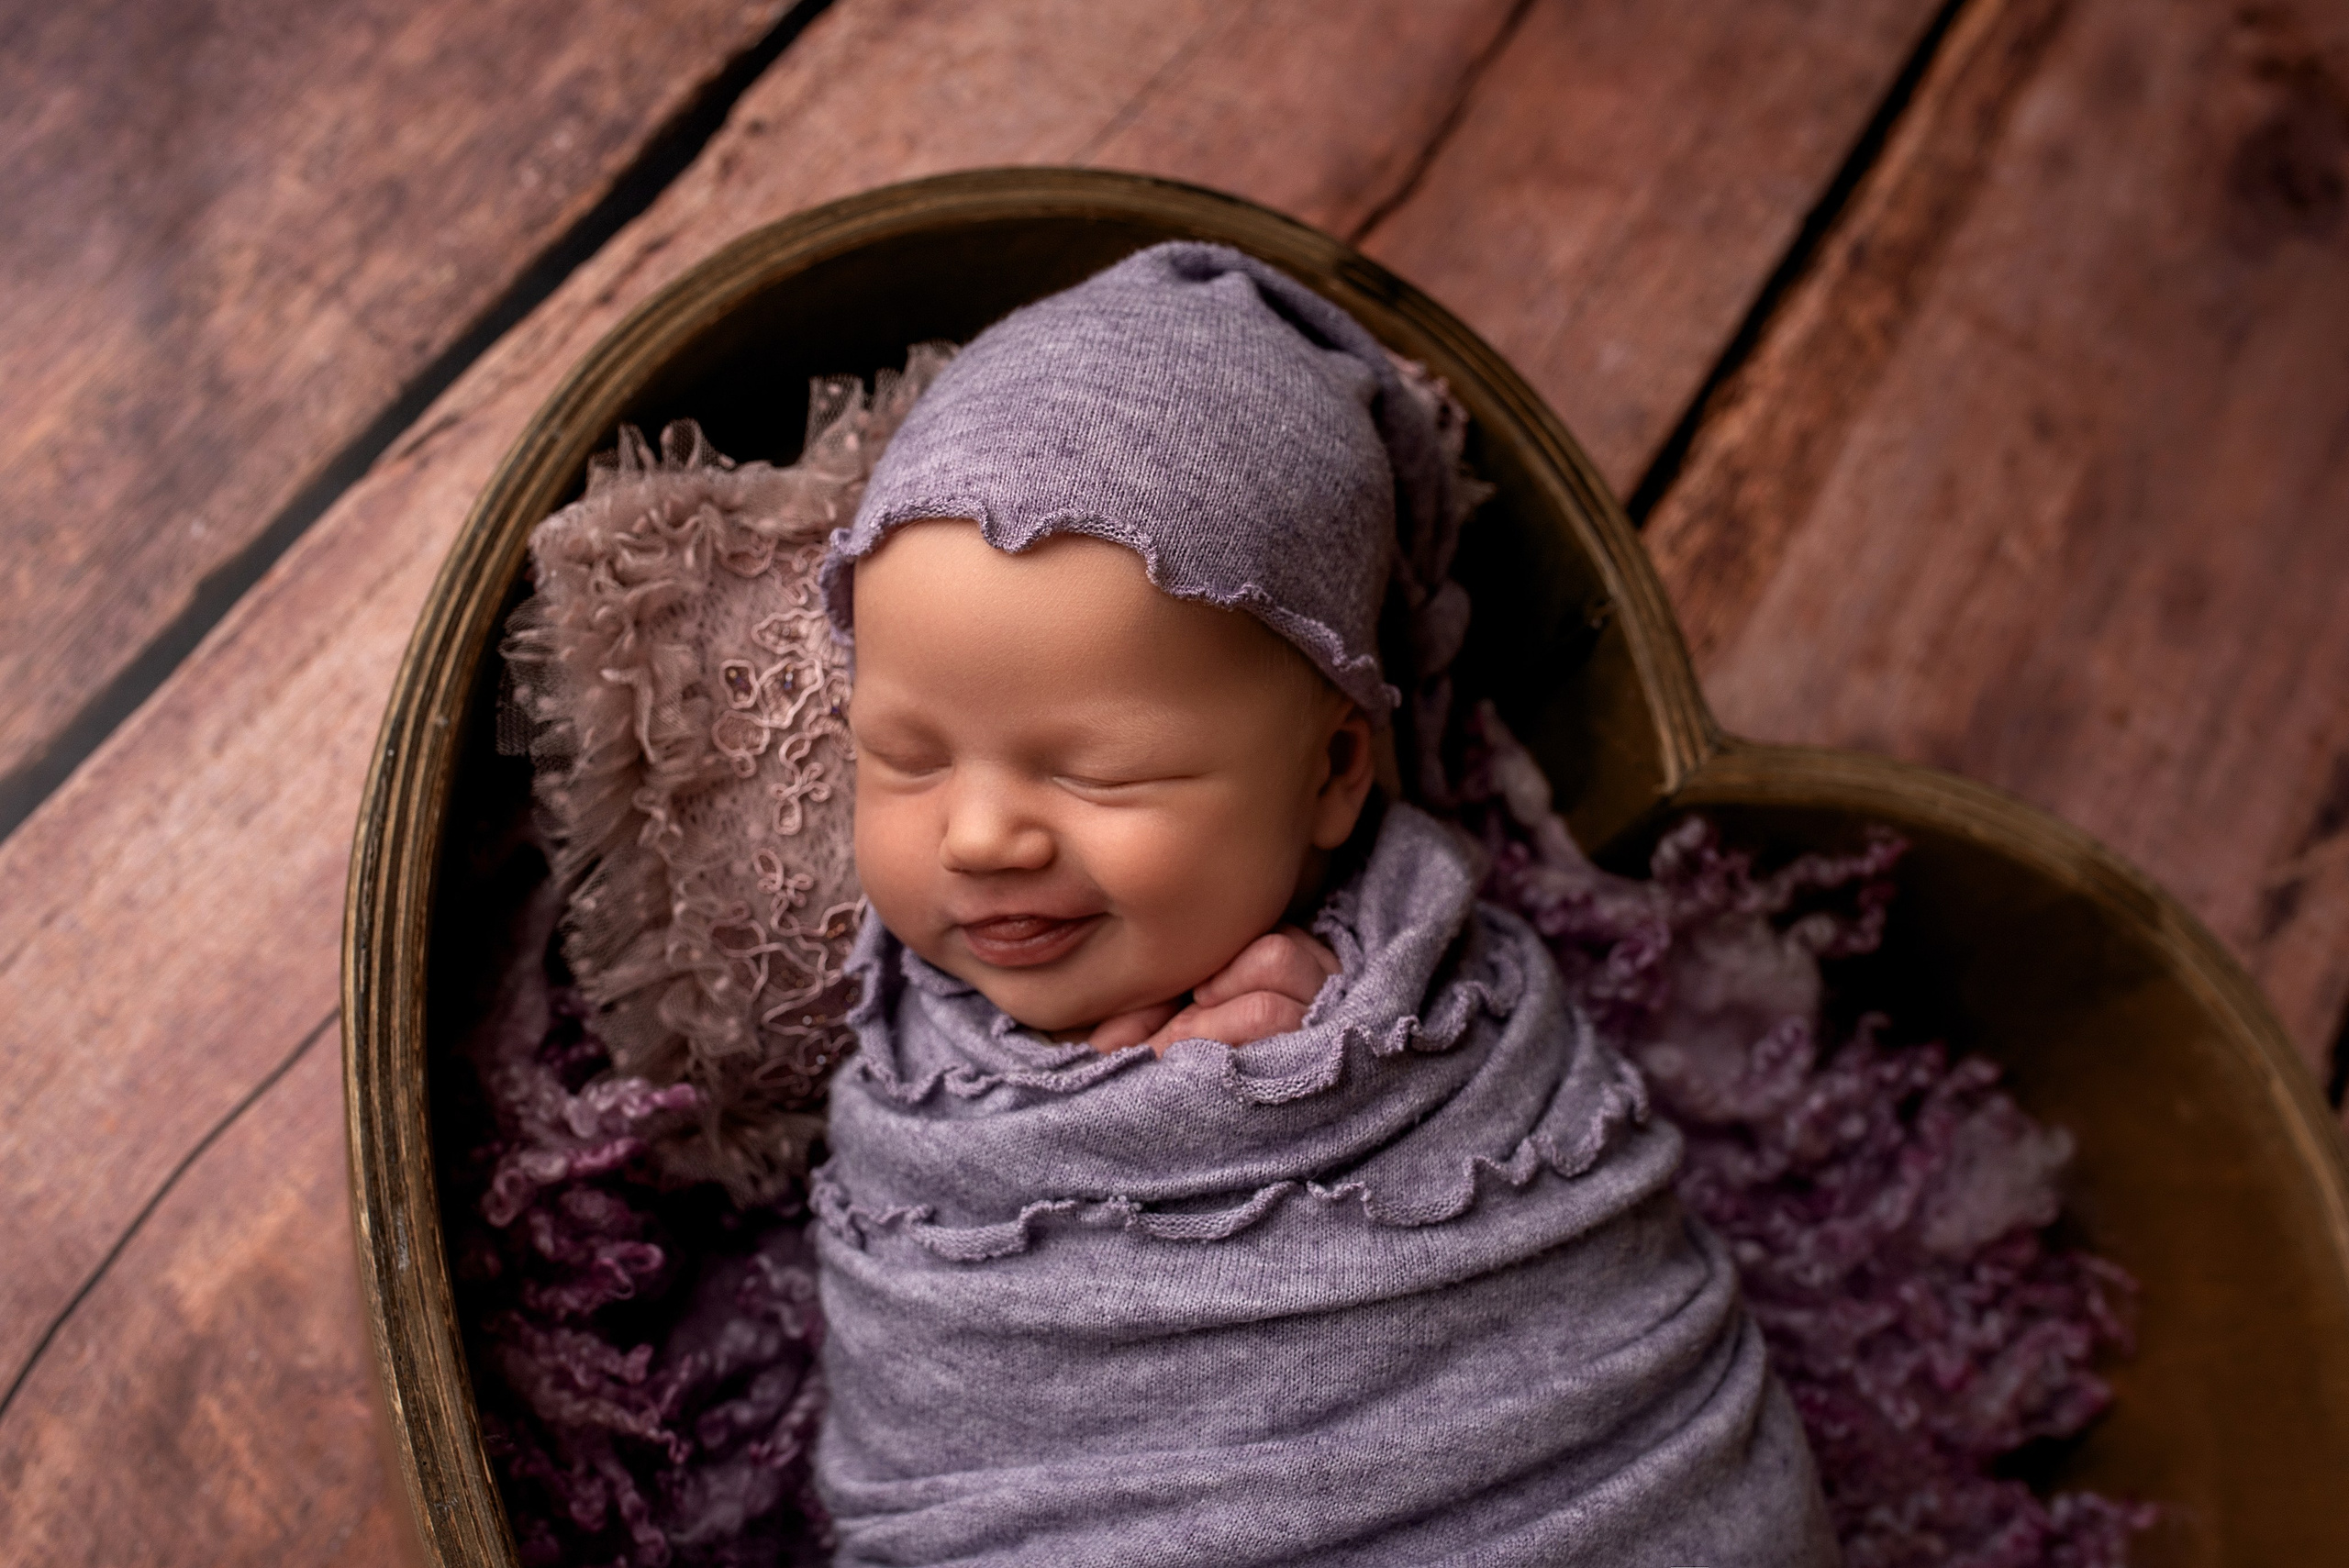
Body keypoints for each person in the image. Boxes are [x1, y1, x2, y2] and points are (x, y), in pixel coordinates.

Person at [809, 241, 1839, 1567]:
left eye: (1098, 772)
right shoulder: (900, 1051)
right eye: (905, 757)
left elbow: (1586, 1340)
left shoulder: (1445, 1021)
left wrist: (1313, 1066)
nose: (979, 834)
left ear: (1336, 770)